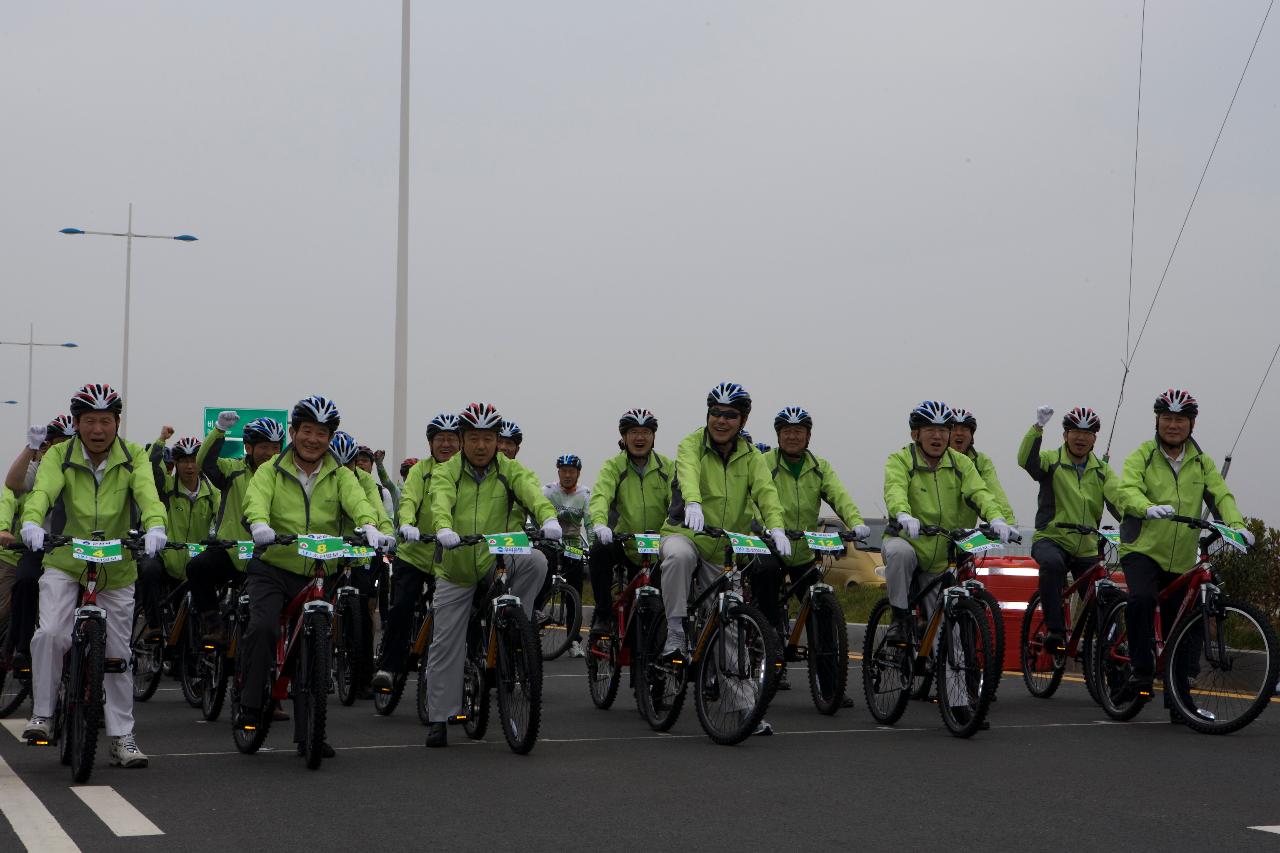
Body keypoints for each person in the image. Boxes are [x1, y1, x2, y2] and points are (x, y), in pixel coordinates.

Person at [20, 383, 168, 768]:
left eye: (105, 421)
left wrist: (155, 527)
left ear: (117, 423)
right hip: (66, 561)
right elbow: (41, 494)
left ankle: (122, 737)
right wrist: (33, 522)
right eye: (89, 421)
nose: (97, 429)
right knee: (50, 633)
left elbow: (148, 495)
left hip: (117, 566)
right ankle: (44, 714)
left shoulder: (134, 455)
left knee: (118, 654)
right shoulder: (59, 456)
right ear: (76, 423)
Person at [237, 396, 392, 756]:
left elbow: (359, 504)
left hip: (321, 568)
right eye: (306, 431)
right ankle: (249, 704)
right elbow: (255, 501)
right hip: (274, 565)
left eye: (322, 433)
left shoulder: (341, 475)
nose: (313, 439)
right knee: (263, 627)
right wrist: (259, 524)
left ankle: (311, 732)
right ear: (293, 432)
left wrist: (371, 526)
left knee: (319, 638)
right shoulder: (270, 471)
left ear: (329, 437)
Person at [424, 402, 561, 748]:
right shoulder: (448, 471)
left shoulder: (509, 469)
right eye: (474, 438)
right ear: (462, 439)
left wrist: (548, 518)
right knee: (445, 642)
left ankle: (519, 622)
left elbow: (531, 491)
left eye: (488, 438)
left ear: (497, 440)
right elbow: (439, 499)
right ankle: (440, 717)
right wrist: (442, 527)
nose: (481, 445)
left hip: (493, 559)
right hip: (455, 564)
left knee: (536, 561)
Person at [1114, 389, 1251, 701]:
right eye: (1166, 419)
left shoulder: (1202, 463)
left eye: (1179, 420)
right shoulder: (1143, 454)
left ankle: (1179, 698)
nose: (1172, 425)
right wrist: (1144, 506)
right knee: (1143, 600)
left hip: (1179, 558)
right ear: (1157, 421)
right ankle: (1140, 669)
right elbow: (1126, 489)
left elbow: (1221, 495)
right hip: (1142, 550)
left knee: (1183, 624)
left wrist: (1237, 526)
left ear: (1191, 424)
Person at [659, 383, 790, 657]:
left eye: (730, 415)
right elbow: (688, 472)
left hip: (724, 547)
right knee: (677, 557)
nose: (721, 420)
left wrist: (776, 526)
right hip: (687, 534)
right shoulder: (691, 444)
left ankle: (742, 698)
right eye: (715, 412)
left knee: (730, 621)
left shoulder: (752, 456)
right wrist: (693, 502)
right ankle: (675, 631)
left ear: (743, 420)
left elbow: (766, 493)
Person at [882, 401, 1016, 643]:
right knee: (900, 554)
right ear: (916, 434)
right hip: (909, 541)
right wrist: (903, 514)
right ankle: (899, 618)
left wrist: (996, 517)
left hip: (942, 556)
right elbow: (895, 489)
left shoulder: (961, 463)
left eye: (943, 430)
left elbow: (980, 492)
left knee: (947, 629)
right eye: (930, 430)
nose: (937, 436)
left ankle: (954, 680)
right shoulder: (900, 459)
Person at [754, 407, 869, 691]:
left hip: (803, 549)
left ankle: (829, 688)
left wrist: (856, 522)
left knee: (822, 612)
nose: (793, 437)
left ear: (808, 436)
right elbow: (752, 498)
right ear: (778, 435)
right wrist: (763, 527)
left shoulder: (819, 467)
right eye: (787, 432)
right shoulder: (762, 463)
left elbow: (838, 496)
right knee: (766, 580)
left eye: (799, 431)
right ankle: (769, 646)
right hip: (770, 545)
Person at [1017, 405, 1121, 654]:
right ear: (1065, 435)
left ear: (1095, 438)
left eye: (1088, 433)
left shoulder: (1102, 470)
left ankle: (1115, 652)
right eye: (1075, 431)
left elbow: (1119, 499)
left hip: (1086, 546)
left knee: (1105, 596)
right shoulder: (1051, 461)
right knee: (1052, 566)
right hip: (1051, 538)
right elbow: (1027, 461)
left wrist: (1139, 518)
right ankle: (1055, 630)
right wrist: (1037, 429)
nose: (1081, 438)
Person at [371, 413, 461, 691]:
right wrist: (407, 523)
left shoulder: (465, 472)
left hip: (451, 558)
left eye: (451, 439)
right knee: (402, 607)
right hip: (415, 552)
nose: (445, 444)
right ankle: (388, 666)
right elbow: (408, 499)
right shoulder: (420, 471)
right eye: (439, 439)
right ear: (431, 444)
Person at [190, 414, 285, 646]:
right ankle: (212, 623)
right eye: (264, 447)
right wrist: (219, 430)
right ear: (249, 447)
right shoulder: (232, 470)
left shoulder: (286, 477)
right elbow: (204, 462)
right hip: (230, 552)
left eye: (275, 448)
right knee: (197, 567)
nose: (270, 453)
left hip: (267, 557)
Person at [2, 416, 77, 668]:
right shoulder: (40, 468)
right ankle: (21, 649)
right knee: (25, 582)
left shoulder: (84, 468)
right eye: (57, 443)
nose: (62, 448)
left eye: (69, 443)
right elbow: (12, 484)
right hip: (41, 548)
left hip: (77, 549)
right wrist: (30, 448)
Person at [588, 409, 672, 631]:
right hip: (625, 542)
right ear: (624, 437)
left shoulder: (667, 467)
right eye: (633, 432)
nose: (640, 438)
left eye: (645, 432)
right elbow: (601, 495)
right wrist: (599, 523)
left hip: (658, 546)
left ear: (654, 437)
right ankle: (603, 614)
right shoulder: (614, 466)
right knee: (598, 552)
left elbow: (676, 502)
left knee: (658, 612)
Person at [136, 432, 219, 637]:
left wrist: (215, 535)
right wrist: (160, 440)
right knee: (148, 570)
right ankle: (153, 625)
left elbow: (221, 519)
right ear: (175, 463)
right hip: (167, 559)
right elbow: (150, 469)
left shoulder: (213, 494)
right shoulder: (165, 487)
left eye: (193, 461)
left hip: (196, 564)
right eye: (183, 461)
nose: (189, 466)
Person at [540, 453, 591, 657]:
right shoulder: (548, 491)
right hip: (550, 543)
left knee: (574, 595)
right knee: (542, 581)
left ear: (578, 473)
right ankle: (535, 622)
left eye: (571, 472)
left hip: (573, 544)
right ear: (558, 472)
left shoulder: (585, 493)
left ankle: (573, 642)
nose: (567, 475)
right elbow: (535, 514)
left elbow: (590, 522)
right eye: (563, 471)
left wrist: (593, 545)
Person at [949, 407, 1018, 529]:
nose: (959, 433)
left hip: (965, 535)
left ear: (972, 436)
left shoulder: (981, 462)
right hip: (929, 533)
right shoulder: (935, 460)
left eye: (964, 429)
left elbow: (994, 491)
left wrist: (1007, 521)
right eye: (954, 429)